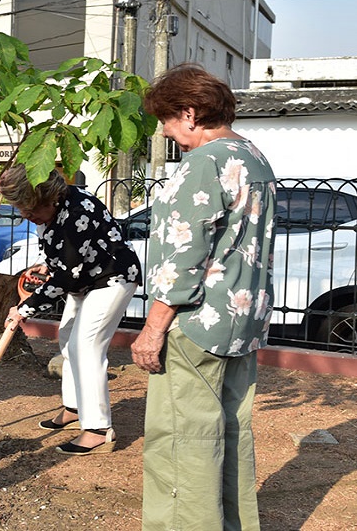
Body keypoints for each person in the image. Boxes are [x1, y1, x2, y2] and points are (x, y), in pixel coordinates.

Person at [131, 63, 276, 530]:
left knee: (182, 439)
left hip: (195, 321)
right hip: (242, 319)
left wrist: (153, 328)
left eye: (167, 121)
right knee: (232, 432)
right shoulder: (254, 156)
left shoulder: (204, 162)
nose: (168, 133)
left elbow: (183, 252)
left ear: (189, 113)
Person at [0, 165, 141, 455]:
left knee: (86, 347)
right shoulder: (54, 207)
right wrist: (45, 263)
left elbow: (65, 276)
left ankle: (98, 430)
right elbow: (58, 251)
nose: (26, 215)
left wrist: (25, 310)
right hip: (85, 280)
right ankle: (76, 409)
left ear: (49, 198)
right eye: (21, 209)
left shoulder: (77, 214)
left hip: (111, 279)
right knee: (67, 339)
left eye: (31, 209)